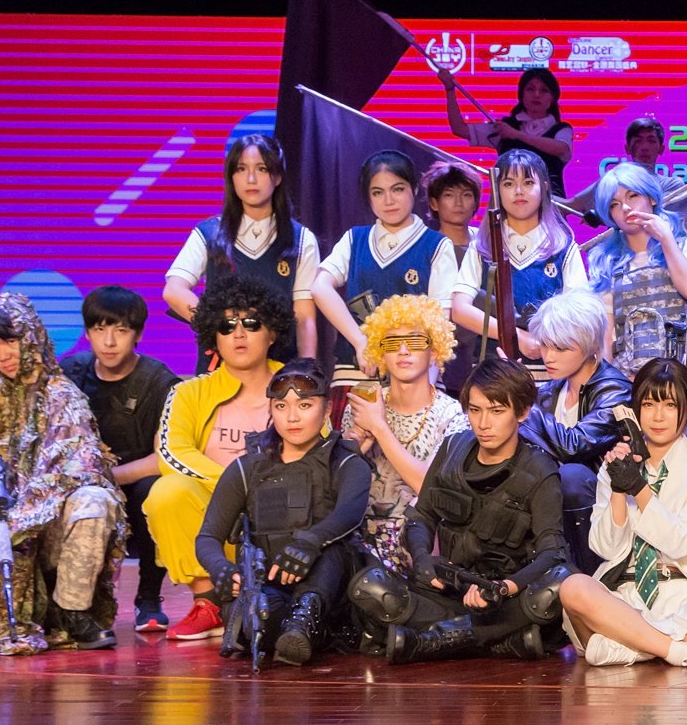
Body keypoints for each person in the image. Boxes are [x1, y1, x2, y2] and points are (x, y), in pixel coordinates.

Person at [0, 294, 126, 655]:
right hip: (2, 536)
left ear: (30, 336)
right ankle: (32, 611)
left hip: (49, 533)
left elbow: (80, 471)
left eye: (10, 341)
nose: (3, 355)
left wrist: (22, 515)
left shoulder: (63, 397)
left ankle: (71, 610)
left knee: (94, 499)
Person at [345, 358, 573, 663]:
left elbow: (552, 553)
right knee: (368, 586)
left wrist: (504, 588)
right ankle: (500, 641)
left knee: (561, 582)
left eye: (496, 411)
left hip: (507, 599)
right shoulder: (453, 448)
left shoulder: (539, 469)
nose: (483, 423)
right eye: (475, 410)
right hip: (451, 591)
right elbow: (421, 517)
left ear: (522, 412)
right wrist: (423, 560)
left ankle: (439, 639)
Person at [559, 359, 687, 668]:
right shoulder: (616, 464)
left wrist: (639, 489)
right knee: (573, 588)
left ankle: (634, 647)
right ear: (635, 409)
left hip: (683, 592)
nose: (657, 416)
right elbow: (606, 549)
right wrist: (617, 488)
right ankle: (677, 650)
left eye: (669, 405)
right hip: (621, 596)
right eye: (648, 404)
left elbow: (681, 543)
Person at [197, 359, 371, 667]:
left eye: (304, 405)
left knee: (333, 548)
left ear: (327, 409)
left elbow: (349, 514)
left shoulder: (345, 462)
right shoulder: (246, 468)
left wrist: (309, 542)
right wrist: (220, 568)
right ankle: (296, 633)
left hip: (330, 590)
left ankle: (305, 621)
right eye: (281, 406)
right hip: (269, 584)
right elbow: (208, 536)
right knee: (254, 618)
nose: (292, 417)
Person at [146, 275, 293, 640]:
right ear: (214, 336)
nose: (239, 334)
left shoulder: (299, 385)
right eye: (227, 326)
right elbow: (171, 453)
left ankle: (285, 600)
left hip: (282, 526)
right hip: (219, 528)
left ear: (272, 332)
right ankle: (208, 601)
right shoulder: (188, 393)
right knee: (167, 492)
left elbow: (318, 459)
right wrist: (236, 488)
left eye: (251, 323)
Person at [60, 285, 183, 633]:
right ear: (87, 333)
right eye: (100, 329)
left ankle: (148, 598)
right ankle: (73, 605)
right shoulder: (70, 373)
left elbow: (165, 459)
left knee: (155, 491)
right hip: (81, 486)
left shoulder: (159, 382)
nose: (110, 341)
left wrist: (106, 478)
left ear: (138, 334)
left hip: (133, 484)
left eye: (121, 330)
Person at [162, 133, 318, 372]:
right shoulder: (209, 233)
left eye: (262, 169)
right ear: (231, 177)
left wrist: (306, 370)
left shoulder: (301, 239)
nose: (251, 179)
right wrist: (222, 326)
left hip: (277, 370)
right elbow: (174, 290)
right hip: (218, 370)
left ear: (277, 176)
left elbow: (304, 317)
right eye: (241, 169)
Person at [340, 295, 470, 575]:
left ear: (434, 351)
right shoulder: (361, 407)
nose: (402, 350)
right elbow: (339, 489)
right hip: (360, 549)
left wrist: (379, 428)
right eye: (391, 343)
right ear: (380, 353)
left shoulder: (452, 416)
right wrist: (353, 451)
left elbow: (430, 489)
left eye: (414, 342)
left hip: (422, 549)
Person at [312, 149, 459, 392]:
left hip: (413, 377)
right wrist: (360, 342)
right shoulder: (355, 239)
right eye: (377, 192)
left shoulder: (435, 245)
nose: (388, 200)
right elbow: (319, 288)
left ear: (414, 189)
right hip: (355, 372)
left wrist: (425, 389)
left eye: (397, 189)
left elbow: (440, 323)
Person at [451, 149, 589, 378]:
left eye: (528, 182)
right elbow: (459, 309)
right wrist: (516, 336)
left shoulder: (562, 247)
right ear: (497, 190)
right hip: (494, 373)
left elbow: (580, 311)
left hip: (549, 373)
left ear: (544, 187)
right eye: (508, 184)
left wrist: (544, 339)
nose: (518, 191)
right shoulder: (483, 246)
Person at [520, 289, 631, 574]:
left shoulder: (615, 389)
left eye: (560, 348)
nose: (548, 357)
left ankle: (589, 574)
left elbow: (574, 446)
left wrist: (521, 401)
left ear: (590, 344)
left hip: (603, 504)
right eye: (545, 345)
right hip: (549, 498)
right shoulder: (551, 390)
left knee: (570, 475)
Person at [586, 163, 687, 378]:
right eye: (615, 204)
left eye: (633, 196)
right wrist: (606, 386)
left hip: (685, 378)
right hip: (630, 380)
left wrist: (665, 238)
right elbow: (605, 338)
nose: (625, 208)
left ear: (651, 198)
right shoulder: (606, 262)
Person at [444, 66, 574, 199]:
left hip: (551, 204)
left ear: (553, 98)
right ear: (521, 95)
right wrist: (450, 90)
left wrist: (516, 135)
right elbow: (459, 129)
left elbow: (561, 149)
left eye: (544, 90)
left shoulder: (561, 129)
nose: (536, 95)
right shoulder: (505, 128)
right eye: (530, 89)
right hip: (511, 204)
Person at [423, 161, 484, 394]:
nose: (458, 203)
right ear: (434, 203)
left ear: (476, 202)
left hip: (484, 353)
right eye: (449, 195)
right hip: (441, 358)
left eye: (466, 195)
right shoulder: (426, 247)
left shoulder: (487, 245)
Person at [623, 117, 684, 196]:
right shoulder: (613, 186)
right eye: (638, 141)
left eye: (651, 141)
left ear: (661, 149)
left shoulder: (671, 185)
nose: (644, 147)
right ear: (627, 148)